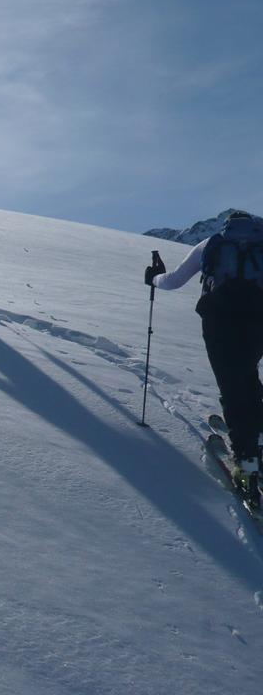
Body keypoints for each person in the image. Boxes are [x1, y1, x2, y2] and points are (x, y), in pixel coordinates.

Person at [146, 211, 263, 502]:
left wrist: (153, 278)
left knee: (233, 388)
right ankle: (257, 433)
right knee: (247, 376)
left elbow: (173, 281)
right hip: (258, 321)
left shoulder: (212, 243)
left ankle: (247, 464)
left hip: (219, 321)